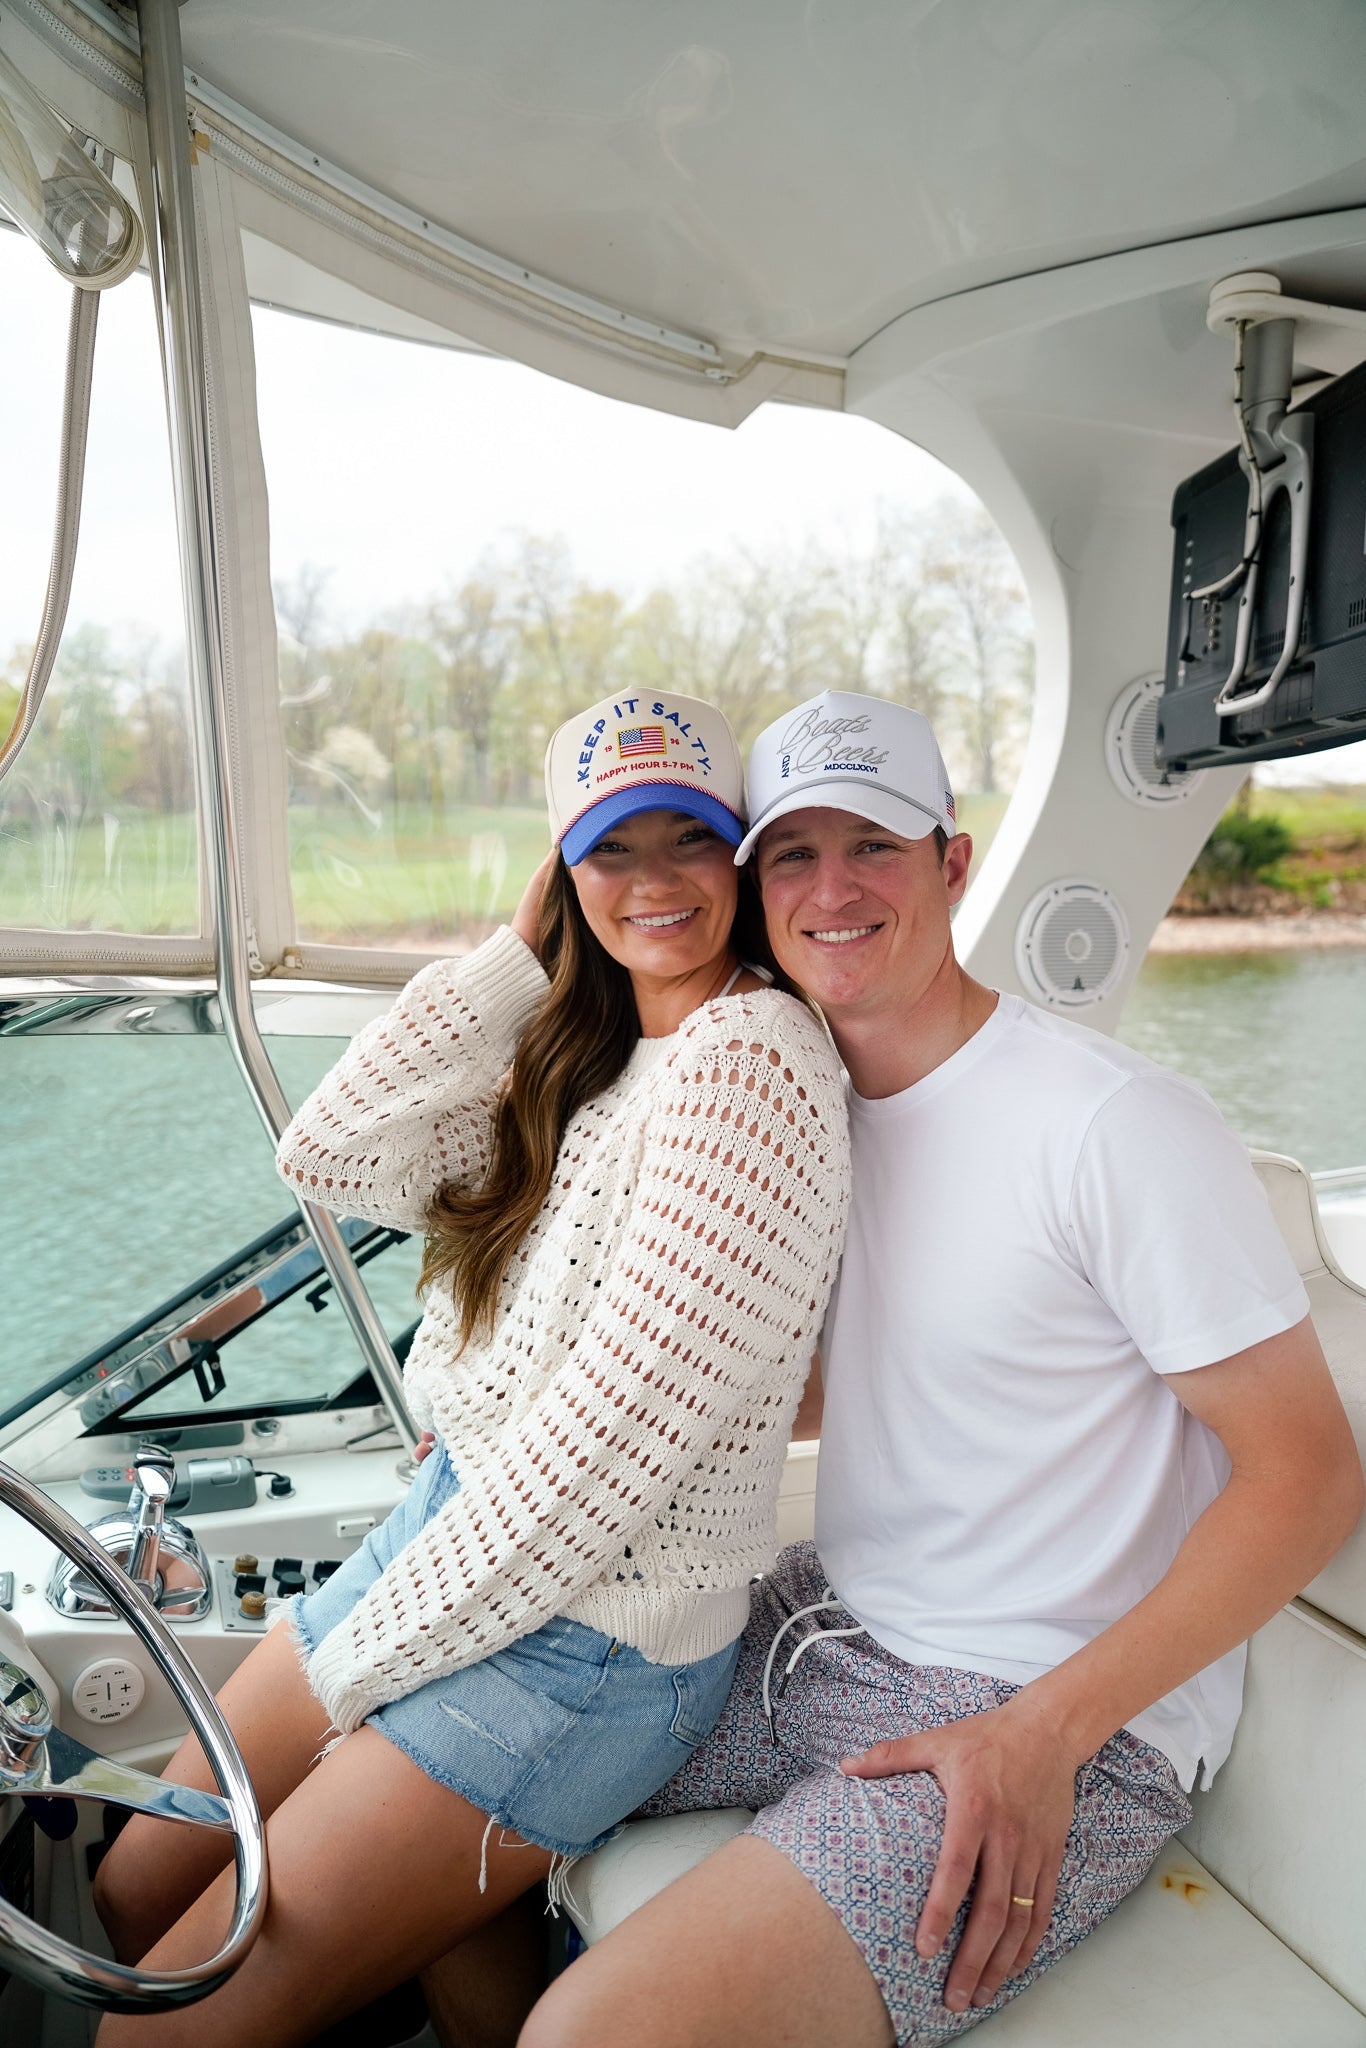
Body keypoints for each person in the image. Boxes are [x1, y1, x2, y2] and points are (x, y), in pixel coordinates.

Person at [520, 689, 1364, 2048]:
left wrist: (1044, 1734)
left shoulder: (1110, 1125)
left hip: (1051, 1708)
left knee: (586, 2036)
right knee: (454, 1794)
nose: (832, 890)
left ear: (953, 863)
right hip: (823, 1621)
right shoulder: (793, 1100)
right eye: (793, 855)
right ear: (752, 891)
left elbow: (1310, 1479)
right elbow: (840, 1378)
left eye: (876, 845)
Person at [91, 689, 850, 2048]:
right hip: (462, 1536)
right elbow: (333, 1151)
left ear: (738, 856)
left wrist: (363, 1673)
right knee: (131, 1882)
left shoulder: (750, 1062)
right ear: (562, 871)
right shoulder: (590, 1059)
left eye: (691, 837)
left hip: (597, 1637)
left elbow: (597, 1467)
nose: (656, 879)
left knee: (147, 2029)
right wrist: (515, 960)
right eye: (612, 846)